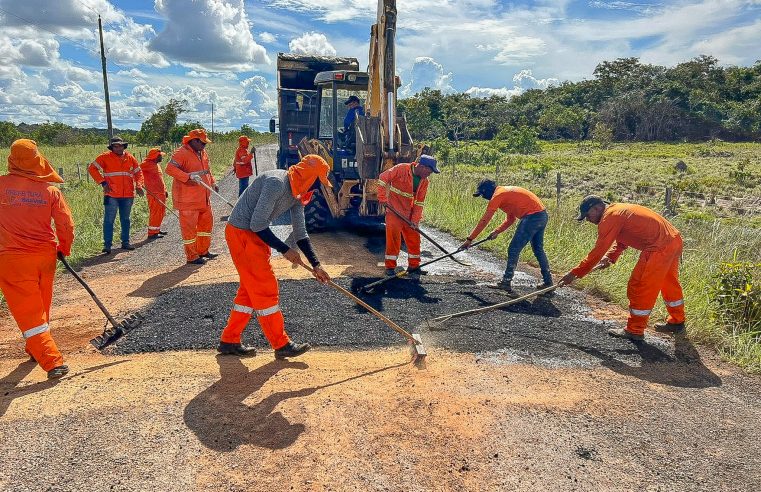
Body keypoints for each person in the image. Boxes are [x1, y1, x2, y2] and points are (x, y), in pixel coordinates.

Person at [218, 154, 332, 358]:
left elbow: (300, 233)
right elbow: (257, 224)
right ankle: (281, 344)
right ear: (307, 176)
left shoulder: (298, 194)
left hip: (254, 235)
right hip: (242, 234)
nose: (318, 186)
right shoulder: (276, 183)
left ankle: (229, 340)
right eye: (317, 180)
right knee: (265, 288)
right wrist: (285, 250)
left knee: (249, 291)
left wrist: (316, 264)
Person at [558, 196, 686, 341]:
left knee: (639, 286)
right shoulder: (618, 211)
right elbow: (623, 238)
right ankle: (677, 320)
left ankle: (635, 330)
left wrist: (575, 273)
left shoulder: (610, 217)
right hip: (674, 240)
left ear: (597, 208)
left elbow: (597, 252)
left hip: (659, 248)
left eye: (588, 215)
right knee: (668, 283)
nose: (587, 220)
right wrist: (611, 257)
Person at [0, 139, 74, 379]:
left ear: (12, 159)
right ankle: (35, 347)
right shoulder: (50, 191)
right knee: (40, 306)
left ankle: (52, 361)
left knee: (30, 312)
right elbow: (65, 224)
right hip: (45, 256)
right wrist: (64, 247)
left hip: (12, 260)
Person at [460, 179, 553, 297]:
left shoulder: (497, 195)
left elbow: (485, 220)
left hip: (532, 217)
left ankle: (506, 281)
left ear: (487, 191)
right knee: (538, 250)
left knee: (514, 249)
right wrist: (497, 231)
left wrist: (470, 239)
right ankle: (548, 282)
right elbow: (511, 219)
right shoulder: (505, 193)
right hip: (542, 215)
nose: (483, 197)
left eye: (483, 194)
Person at [378, 155, 439, 277]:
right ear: (421, 166)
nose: (430, 174)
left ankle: (414, 266)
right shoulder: (401, 169)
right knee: (394, 239)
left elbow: (419, 203)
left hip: (409, 214)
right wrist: (382, 198)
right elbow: (382, 178)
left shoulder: (424, 182)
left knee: (414, 239)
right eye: (429, 170)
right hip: (394, 211)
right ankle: (390, 267)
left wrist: (415, 221)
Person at [165, 129, 219, 265]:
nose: (204, 145)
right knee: (189, 230)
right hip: (188, 200)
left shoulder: (202, 152)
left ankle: (203, 251)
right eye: (202, 143)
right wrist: (187, 176)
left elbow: (207, 170)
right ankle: (192, 256)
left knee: (206, 226)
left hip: (204, 198)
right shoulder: (181, 153)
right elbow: (169, 169)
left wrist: (213, 182)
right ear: (193, 140)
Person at [88, 137, 144, 254]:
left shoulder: (130, 158)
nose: (118, 148)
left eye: (120, 145)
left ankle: (125, 243)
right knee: (109, 220)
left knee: (125, 219)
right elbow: (92, 169)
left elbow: (138, 173)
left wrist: (139, 185)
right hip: (111, 194)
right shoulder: (104, 157)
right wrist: (103, 182)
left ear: (124, 146)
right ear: (112, 147)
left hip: (128, 195)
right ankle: (107, 245)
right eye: (115, 146)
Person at [140, 147, 168, 240]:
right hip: (153, 194)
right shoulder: (146, 164)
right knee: (155, 213)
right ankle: (152, 233)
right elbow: (135, 171)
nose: (161, 157)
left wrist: (165, 190)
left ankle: (157, 229)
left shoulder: (157, 165)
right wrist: (139, 184)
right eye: (160, 156)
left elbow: (160, 179)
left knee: (161, 212)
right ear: (155, 156)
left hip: (161, 192)